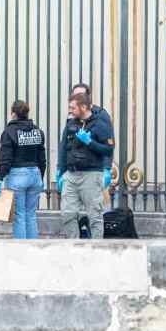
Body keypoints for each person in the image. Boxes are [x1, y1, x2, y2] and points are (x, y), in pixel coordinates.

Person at [57, 92, 115, 239]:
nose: (70, 110)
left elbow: (108, 150)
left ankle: (96, 249)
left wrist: (90, 142)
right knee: (67, 213)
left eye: (73, 107)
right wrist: (61, 171)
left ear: (83, 107)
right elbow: (64, 148)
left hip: (91, 175)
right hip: (71, 175)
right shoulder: (71, 124)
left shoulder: (100, 124)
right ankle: (74, 245)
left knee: (94, 215)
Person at [0, 100, 46, 239]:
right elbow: (42, 159)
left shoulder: (9, 132)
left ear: (14, 114)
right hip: (35, 174)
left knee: (20, 215)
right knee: (31, 214)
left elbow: (6, 159)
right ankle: (33, 249)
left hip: (17, 176)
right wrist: (41, 176)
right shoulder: (37, 131)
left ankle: (21, 251)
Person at [70, 83, 114, 190]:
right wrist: (60, 168)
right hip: (75, 170)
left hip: (94, 169)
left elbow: (108, 144)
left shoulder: (101, 114)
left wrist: (107, 168)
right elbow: (65, 143)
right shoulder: (72, 116)